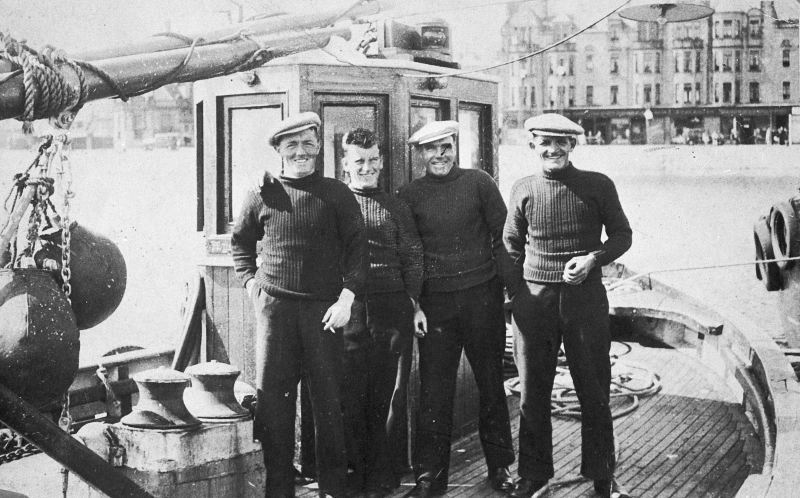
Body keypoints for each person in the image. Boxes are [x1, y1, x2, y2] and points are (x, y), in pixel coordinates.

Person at [231, 112, 367, 498]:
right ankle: (279, 491)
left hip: (324, 313)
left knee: (329, 406)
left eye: (308, 144)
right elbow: (241, 243)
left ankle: (333, 490)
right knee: (274, 407)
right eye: (291, 145)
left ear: (319, 147)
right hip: (275, 312)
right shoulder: (262, 192)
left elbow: (357, 251)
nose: (301, 152)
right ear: (279, 151)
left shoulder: (337, 194)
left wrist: (346, 298)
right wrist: (251, 285)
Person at [503, 113, 633, 498]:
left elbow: (623, 236)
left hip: (586, 300)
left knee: (593, 388)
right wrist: (514, 298)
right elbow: (510, 246)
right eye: (545, 142)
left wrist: (594, 258)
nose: (553, 149)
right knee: (533, 392)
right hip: (534, 302)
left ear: (573, 145)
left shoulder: (597, 185)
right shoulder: (523, 188)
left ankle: (601, 474)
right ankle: (533, 474)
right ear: (533, 146)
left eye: (561, 142)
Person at [398, 120, 515, 498]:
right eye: (431, 149)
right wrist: (414, 303)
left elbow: (504, 240)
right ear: (420, 154)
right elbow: (410, 254)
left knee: (490, 385)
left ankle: (500, 467)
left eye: (445, 146)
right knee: (434, 392)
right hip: (436, 308)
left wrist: (509, 292)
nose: (440, 155)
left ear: (455, 146)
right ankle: (430, 478)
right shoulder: (409, 194)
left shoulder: (480, 183)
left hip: (483, 299)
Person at [338, 128, 426, 498]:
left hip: (393, 310)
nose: (367, 167)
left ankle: (381, 478)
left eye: (373, 160)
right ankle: (354, 476)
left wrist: (415, 303)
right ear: (346, 165)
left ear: (382, 161)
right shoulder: (338, 205)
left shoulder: (397, 207)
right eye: (359, 161)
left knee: (388, 396)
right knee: (351, 395)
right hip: (352, 309)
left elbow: (413, 258)